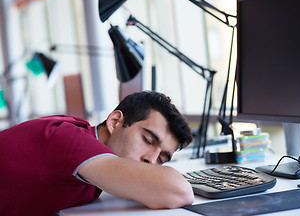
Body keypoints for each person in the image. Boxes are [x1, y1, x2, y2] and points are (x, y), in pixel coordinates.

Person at [0, 91, 194, 216]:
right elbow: (179, 191)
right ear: (115, 122)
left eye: (162, 159)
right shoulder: (69, 138)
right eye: (147, 140)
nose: (151, 160)